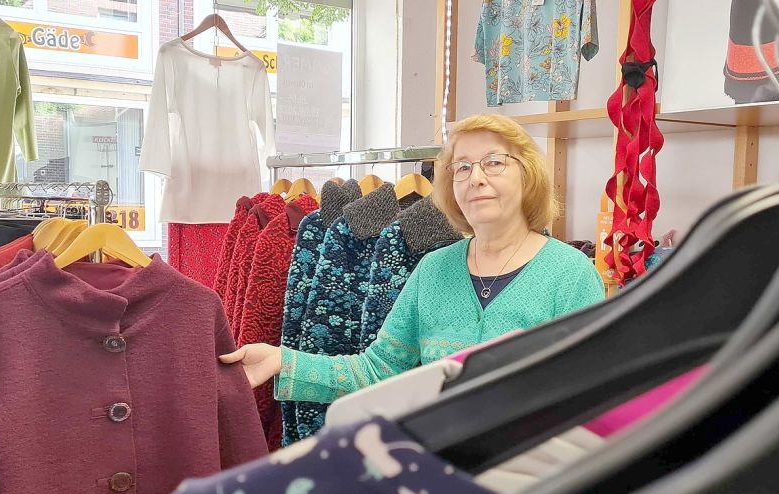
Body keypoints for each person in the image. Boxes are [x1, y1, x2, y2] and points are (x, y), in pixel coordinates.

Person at [220, 113, 606, 403]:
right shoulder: (434, 270)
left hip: (531, 484)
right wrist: (281, 362)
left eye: (494, 162)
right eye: (463, 167)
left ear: (529, 176)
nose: (476, 178)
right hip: (439, 473)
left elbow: (593, 395)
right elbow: (378, 371)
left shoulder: (570, 276)